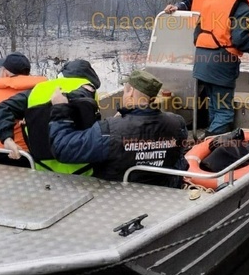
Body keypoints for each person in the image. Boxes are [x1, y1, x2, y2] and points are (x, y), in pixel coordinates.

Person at [48, 69, 189, 188]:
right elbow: (178, 159)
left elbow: (63, 148)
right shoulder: (177, 123)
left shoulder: (109, 131)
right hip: (163, 193)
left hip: (118, 197)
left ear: (131, 92)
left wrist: (60, 110)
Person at [0, 59, 102, 174]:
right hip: (83, 170)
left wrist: (7, 138)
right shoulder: (88, 89)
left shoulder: (37, 90)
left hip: (42, 169)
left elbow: (2, 108)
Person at [193, 0, 249, 138]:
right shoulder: (242, 6)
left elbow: (196, 35)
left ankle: (209, 140)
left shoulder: (211, 1)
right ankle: (212, 142)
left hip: (201, 61)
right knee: (225, 111)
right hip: (222, 63)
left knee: (214, 104)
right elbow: (239, 39)